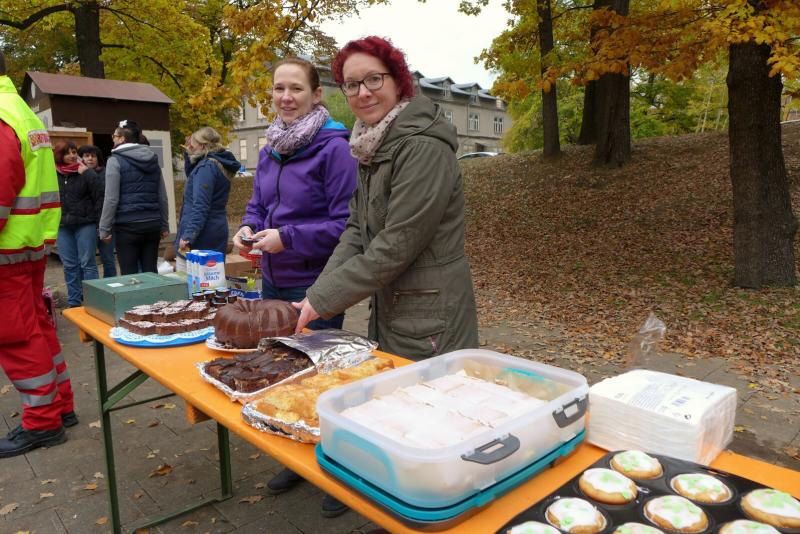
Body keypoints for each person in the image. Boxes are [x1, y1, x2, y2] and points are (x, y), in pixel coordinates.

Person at [294, 36, 479, 359]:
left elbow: (398, 243)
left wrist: (325, 299)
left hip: (432, 319)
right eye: (352, 85)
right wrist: (317, 293)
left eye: (374, 79)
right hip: (394, 309)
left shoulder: (422, 146)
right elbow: (356, 230)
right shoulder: (372, 144)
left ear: (398, 80)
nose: (363, 92)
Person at [232, 57, 357, 517]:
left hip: (317, 281)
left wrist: (288, 237)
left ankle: (339, 468)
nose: (286, 97)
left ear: (316, 94)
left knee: (322, 377)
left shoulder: (334, 149)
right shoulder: (270, 148)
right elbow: (258, 204)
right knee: (284, 372)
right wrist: (247, 228)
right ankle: (296, 457)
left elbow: (347, 224)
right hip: (273, 277)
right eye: (278, 89)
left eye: (296, 89)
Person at [0, 50, 77, 458]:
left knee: (16, 336)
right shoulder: (22, 113)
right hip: (28, 246)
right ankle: (60, 406)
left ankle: (43, 422)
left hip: (8, 248)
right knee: (36, 328)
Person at [99, 120, 169, 274]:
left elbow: (111, 199)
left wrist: (104, 228)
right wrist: (164, 224)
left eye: (114, 136)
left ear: (122, 139)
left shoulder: (114, 160)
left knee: (129, 274)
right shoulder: (153, 159)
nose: (112, 139)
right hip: (152, 223)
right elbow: (162, 196)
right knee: (151, 272)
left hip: (127, 226)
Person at [175, 127, 240, 269]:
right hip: (214, 229)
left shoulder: (206, 167)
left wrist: (188, 236)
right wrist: (188, 154)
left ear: (202, 145)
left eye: (193, 143)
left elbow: (201, 205)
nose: (190, 145)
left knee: (189, 280)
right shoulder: (216, 162)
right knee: (212, 278)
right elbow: (193, 175)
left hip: (201, 235)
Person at [53, 140, 102, 307]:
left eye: (74, 152)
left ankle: (94, 301)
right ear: (59, 155)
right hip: (62, 226)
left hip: (85, 223)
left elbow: (100, 191)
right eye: (67, 153)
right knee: (69, 265)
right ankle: (74, 302)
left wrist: (88, 173)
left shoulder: (84, 171)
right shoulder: (53, 174)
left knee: (87, 263)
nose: (72, 155)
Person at [78, 145, 116, 277]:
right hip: (85, 223)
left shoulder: (106, 173)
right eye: (86, 156)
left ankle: (110, 285)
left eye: (93, 156)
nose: (90, 159)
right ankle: (88, 287)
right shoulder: (76, 175)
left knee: (108, 258)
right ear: (81, 158)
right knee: (86, 260)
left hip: (105, 222)